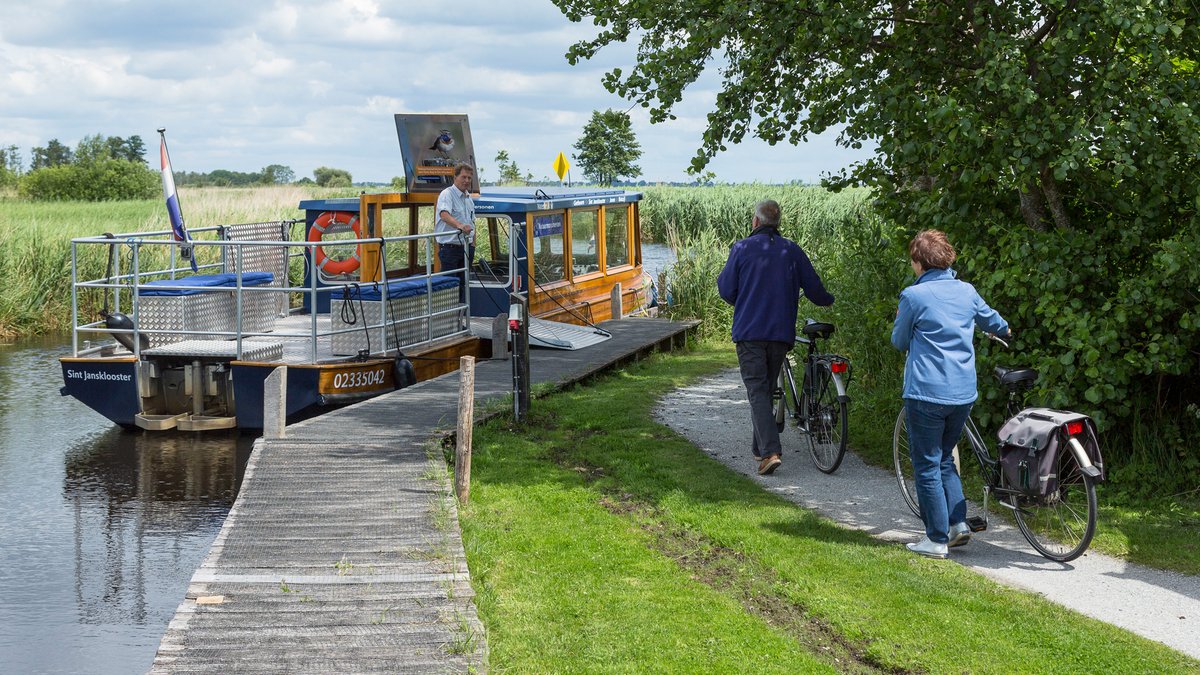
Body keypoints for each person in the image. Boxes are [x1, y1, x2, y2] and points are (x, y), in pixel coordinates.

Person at [891, 229, 1011, 558]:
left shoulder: (913, 297)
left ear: (918, 262)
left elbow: (899, 341)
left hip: (926, 393)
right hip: (962, 394)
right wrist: (1004, 330)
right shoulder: (967, 291)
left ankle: (935, 538)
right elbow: (995, 322)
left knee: (927, 464)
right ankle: (958, 525)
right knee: (944, 458)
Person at [718, 200, 834, 476]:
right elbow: (815, 288)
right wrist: (828, 300)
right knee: (765, 389)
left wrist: (743, 300)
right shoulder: (791, 250)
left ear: (756, 222)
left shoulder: (742, 248)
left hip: (750, 331)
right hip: (781, 333)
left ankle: (770, 451)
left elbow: (725, 289)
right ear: (777, 223)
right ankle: (760, 448)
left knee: (758, 391)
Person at [436, 163, 476, 303]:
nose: (466, 181)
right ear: (455, 177)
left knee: (463, 286)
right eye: (463, 177)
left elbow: (472, 222)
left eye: (469, 178)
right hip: (450, 249)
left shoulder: (468, 199)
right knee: (449, 286)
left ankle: (460, 321)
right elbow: (444, 214)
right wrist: (460, 226)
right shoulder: (447, 194)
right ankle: (449, 320)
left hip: (466, 248)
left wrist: (473, 245)